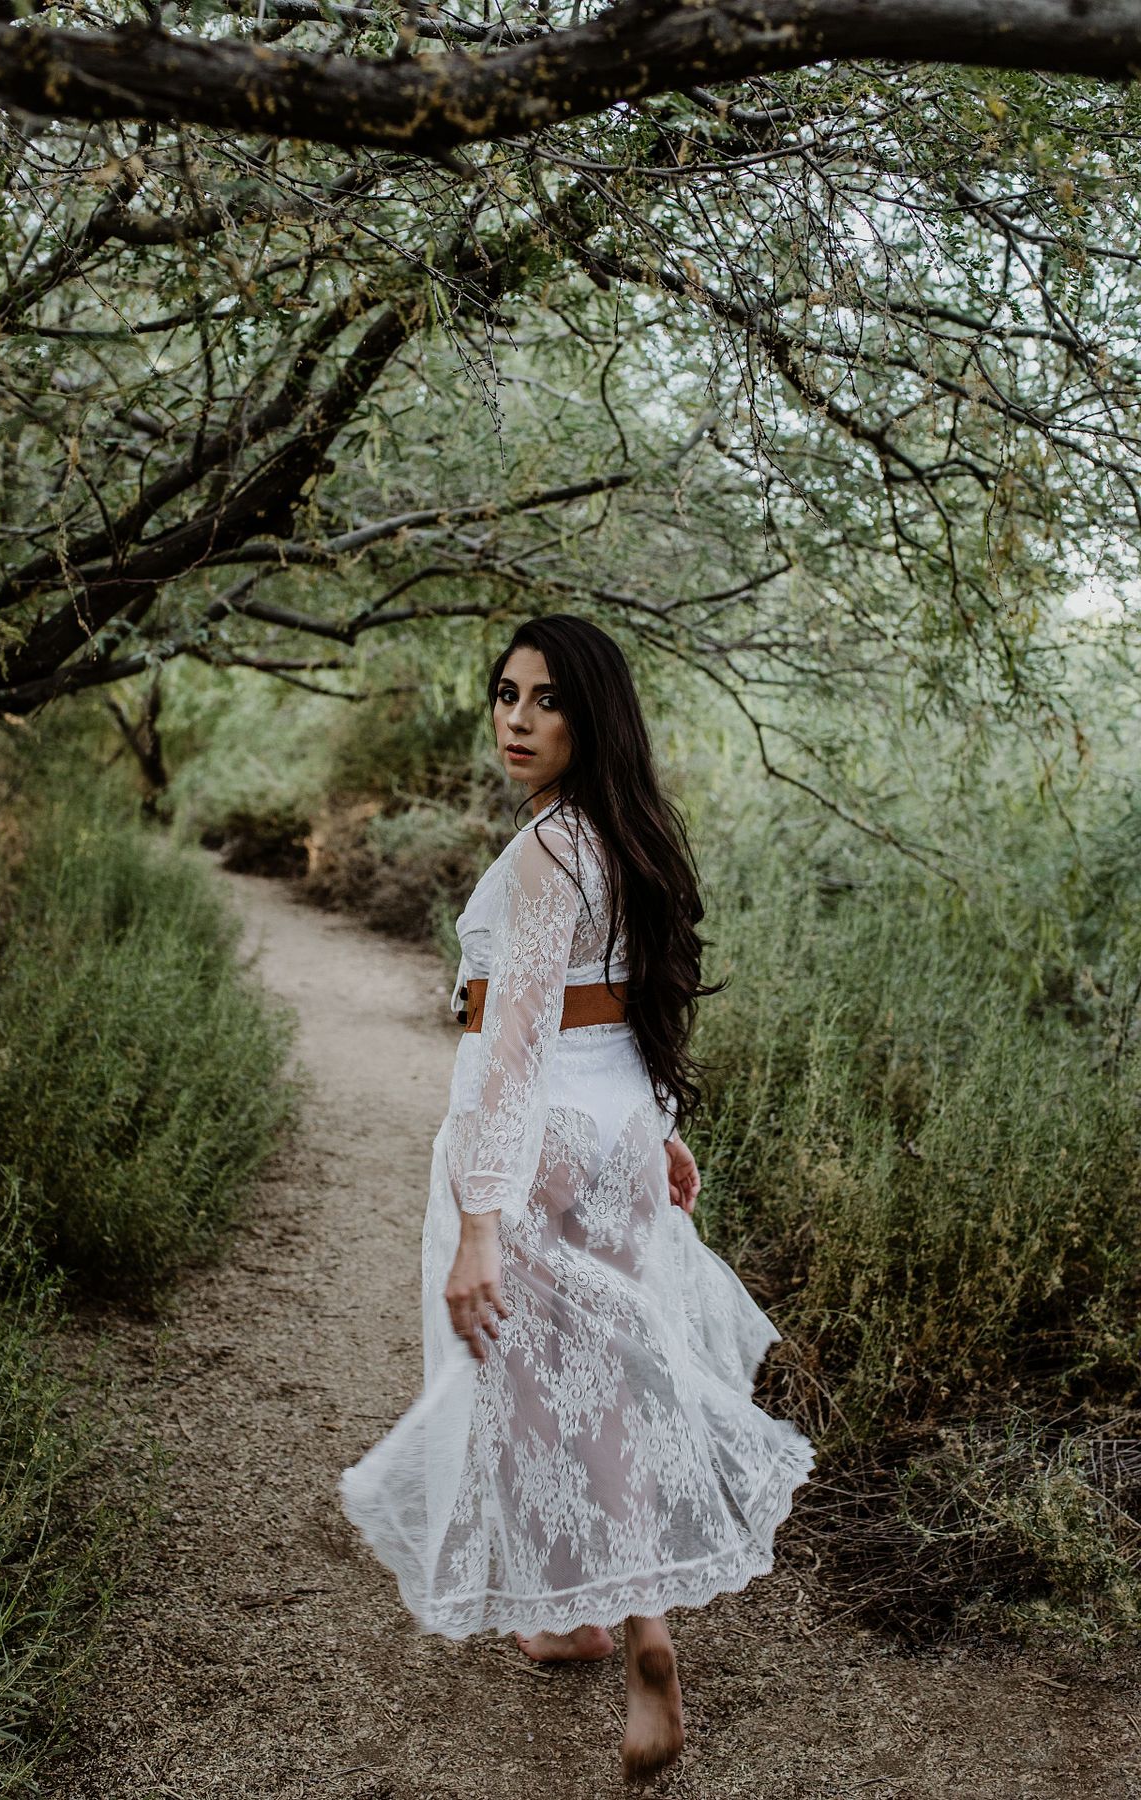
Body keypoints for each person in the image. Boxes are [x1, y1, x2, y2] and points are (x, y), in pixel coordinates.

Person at [336, 613, 814, 1783]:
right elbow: (636, 1003)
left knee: (548, 1388)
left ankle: (627, 1632)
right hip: (613, 1131)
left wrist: (479, 1221)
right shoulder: (621, 833)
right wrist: (663, 1129)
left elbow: (510, 1052)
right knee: (608, 1371)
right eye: (506, 694)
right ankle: (586, 1615)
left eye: (546, 700)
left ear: (590, 716)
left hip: (540, 1138)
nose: (517, 719)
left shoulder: (550, 852)